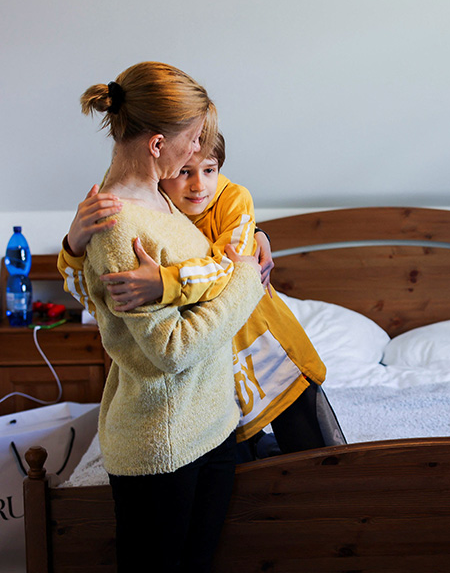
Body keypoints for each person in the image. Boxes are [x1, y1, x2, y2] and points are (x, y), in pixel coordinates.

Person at [74, 62, 265, 572]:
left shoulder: (161, 195)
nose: (198, 150)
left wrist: (254, 242)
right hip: (163, 442)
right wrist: (247, 281)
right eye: (194, 138)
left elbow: (206, 262)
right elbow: (172, 350)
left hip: (212, 425)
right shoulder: (116, 224)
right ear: (158, 144)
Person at [58, 132, 337, 456]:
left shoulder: (232, 198)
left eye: (209, 170)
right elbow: (96, 295)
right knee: (246, 469)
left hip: (265, 344)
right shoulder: (143, 213)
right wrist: (73, 245)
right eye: (184, 172)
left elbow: (230, 271)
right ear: (163, 169)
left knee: (317, 458)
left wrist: (164, 282)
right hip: (210, 366)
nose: (198, 185)